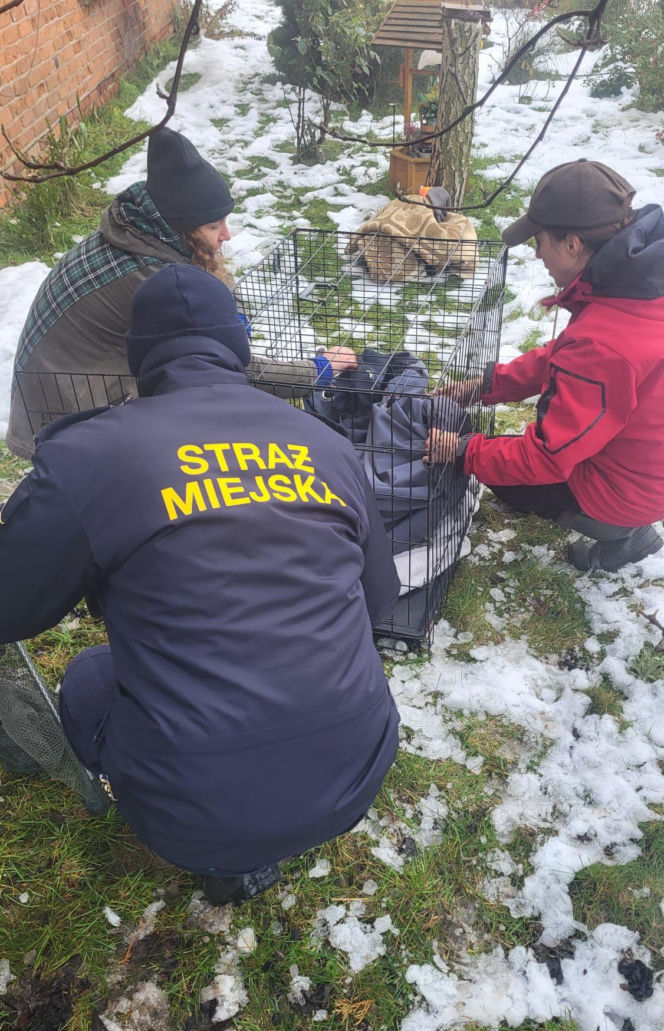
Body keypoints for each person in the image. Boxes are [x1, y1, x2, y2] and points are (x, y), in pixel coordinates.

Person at [0, 264, 400, 905]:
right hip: (357, 767)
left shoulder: (89, 456)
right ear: (238, 346)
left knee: (88, 678)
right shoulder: (325, 444)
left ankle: (226, 851)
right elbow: (380, 600)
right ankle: (253, 833)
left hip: (192, 809)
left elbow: (8, 607)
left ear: (138, 357)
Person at [7, 126, 355, 460]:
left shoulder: (137, 230)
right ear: (182, 228)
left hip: (56, 388)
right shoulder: (153, 278)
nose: (227, 235)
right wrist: (319, 369)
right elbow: (225, 364)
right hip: (63, 415)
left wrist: (225, 315)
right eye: (213, 225)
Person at [425, 159, 664, 571]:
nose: (537, 254)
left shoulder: (602, 342)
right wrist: (486, 385)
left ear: (572, 243)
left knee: (510, 478)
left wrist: (464, 450)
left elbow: (547, 456)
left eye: (540, 242)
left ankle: (624, 530)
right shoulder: (637, 282)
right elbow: (569, 356)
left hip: (635, 489)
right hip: (650, 460)